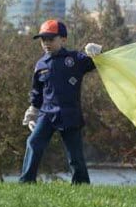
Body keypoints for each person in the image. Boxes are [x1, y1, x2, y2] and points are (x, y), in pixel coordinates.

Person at [19, 19, 101, 184]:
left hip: (69, 113)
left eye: (51, 39)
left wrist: (97, 54)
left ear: (63, 39)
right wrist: (33, 110)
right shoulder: (41, 64)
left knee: (74, 154)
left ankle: (81, 184)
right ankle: (27, 181)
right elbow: (37, 91)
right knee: (33, 142)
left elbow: (94, 63)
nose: (46, 43)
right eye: (43, 39)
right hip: (47, 114)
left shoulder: (74, 59)